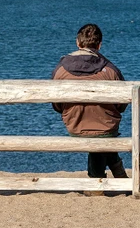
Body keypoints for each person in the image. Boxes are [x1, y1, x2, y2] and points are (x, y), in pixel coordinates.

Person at [51, 23, 128, 179]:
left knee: (99, 136)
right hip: (106, 127)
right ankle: (101, 180)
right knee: (102, 133)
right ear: (99, 45)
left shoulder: (61, 70)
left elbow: (57, 105)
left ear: (78, 43)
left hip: (75, 124)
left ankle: (115, 179)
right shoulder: (111, 70)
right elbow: (121, 105)